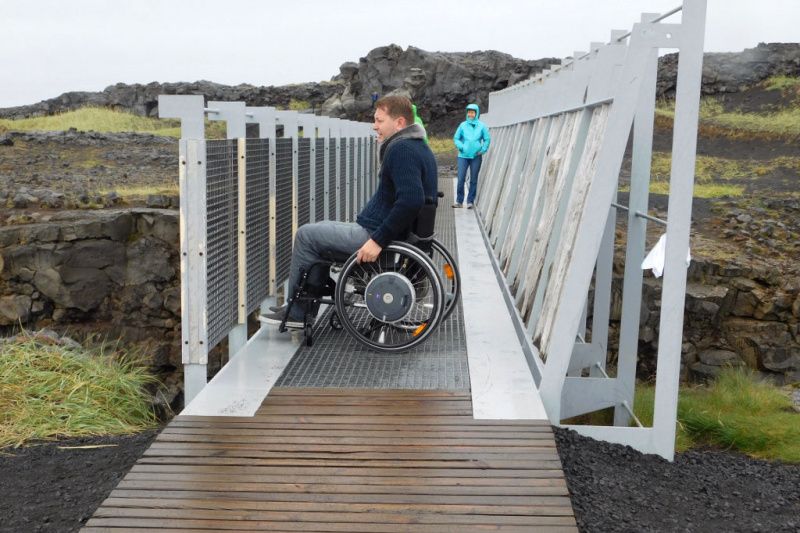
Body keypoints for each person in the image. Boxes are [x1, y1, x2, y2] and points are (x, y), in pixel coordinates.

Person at [261, 95, 438, 328]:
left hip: (377, 236)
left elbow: (411, 200)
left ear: (399, 123)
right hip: (395, 233)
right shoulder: (419, 146)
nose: (374, 126)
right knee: (321, 230)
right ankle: (303, 306)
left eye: (379, 120)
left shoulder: (401, 150)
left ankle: (298, 312)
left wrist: (377, 241)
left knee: (307, 235)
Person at [452, 103, 490, 209]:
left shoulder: (482, 126)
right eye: (469, 112)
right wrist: (462, 147)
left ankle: (470, 201)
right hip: (463, 156)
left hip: (476, 156)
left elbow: (487, 139)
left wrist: (483, 149)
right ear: (467, 113)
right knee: (461, 179)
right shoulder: (462, 125)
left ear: (476, 113)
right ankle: (459, 201)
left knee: (473, 179)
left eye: (473, 112)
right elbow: (456, 138)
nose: (470, 114)